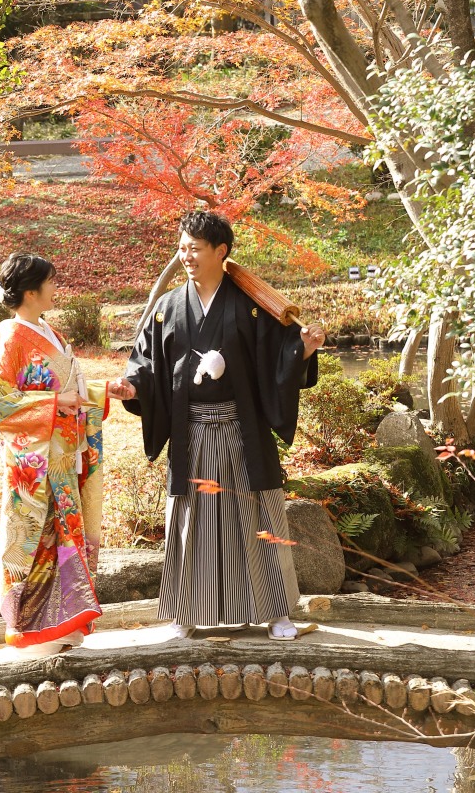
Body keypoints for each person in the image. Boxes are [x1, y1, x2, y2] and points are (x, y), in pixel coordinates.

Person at [110, 211, 325, 640]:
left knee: (257, 515)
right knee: (191, 521)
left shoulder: (251, 304)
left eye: (195, 248)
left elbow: (275, 359)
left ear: (220, 252)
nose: (185, 255)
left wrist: (302, 350)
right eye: (182, 247)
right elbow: (148, 364)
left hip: (240, 431)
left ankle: (277, 613)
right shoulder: (168, 307)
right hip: (191, 433)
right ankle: (184, 614)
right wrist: (133, 387)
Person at [0, 253, 121, 656]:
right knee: (40, 545)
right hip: (39, 465)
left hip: (62, 458)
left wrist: (103, 391)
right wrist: (53, 403)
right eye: (51, 282)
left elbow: (70, 387)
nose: (55, 288)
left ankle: (65, 624)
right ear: (31, 291)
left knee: (65, 540)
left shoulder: (46, 330)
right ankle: (33, 631)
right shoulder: (12, 341)